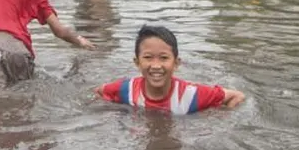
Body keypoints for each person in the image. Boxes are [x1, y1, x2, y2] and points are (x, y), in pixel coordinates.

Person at [97, 25, 245, 114]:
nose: (156, 66)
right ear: (137, 62)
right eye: (148, 57)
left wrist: (221, 119)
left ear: (176, 63)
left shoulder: (192, 95)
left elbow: (237, 96)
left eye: (164, 58)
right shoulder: (125, 90)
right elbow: (99, 93)